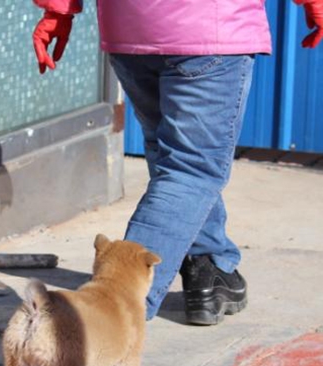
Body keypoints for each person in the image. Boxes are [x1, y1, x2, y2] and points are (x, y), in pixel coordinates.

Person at [32, 0, 323, 325]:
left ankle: (210, 269)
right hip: (209, 31)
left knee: (173, 158)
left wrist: (57, 10)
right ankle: (109, 317)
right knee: (190, 171)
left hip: (130, 28)